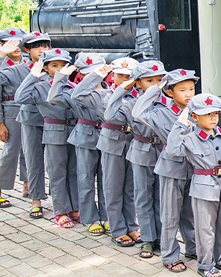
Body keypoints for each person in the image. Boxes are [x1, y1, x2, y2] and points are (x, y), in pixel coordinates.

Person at [131, 68, 199, 270]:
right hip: (171, 169)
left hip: (193, 168)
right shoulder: (161, 113)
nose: (188, 94)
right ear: (169, 92)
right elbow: (137, 112)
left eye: (191, 89)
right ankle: (170, 255)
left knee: (189, 212)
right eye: (182, 90)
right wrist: (155, 90)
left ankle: (193, 247)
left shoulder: (197, 111)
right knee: (170, 214)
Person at [167, 94, 221, 277]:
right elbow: (172, 150)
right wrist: (180, 124)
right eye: (207, 114)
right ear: (195, 116)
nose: (213, 118)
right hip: (204, 188)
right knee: (205, 227)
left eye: (216, 113)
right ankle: (205, 263)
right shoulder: (189, 138)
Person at [0, 32, 52, 219]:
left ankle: (31, 186)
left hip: (49, 118)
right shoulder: (18, 69)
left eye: (46, 46)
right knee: (15, 152)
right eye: (37, 46)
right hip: (17, 112)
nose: (42, 50)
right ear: (27, 49)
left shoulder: (53, 67)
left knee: (39, 156)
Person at [72, 58, 139, 242]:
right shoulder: (103, 95)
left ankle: (131, 225)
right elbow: (77, 95)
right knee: (112, 187)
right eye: (120, 75)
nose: (125, 79)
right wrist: (96, 76)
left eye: (129, 76)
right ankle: (117, 228)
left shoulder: (139, 97)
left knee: (130, 188)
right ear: (112, 76)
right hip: (111, 143)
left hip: (132, 143)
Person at [15, 48, 79, 228]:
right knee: (57, 172)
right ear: (45, 67)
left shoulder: (72, 85)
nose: (59, 69)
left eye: (63, 65)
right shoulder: (41, 86)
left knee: (73, 171)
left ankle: (75, 206)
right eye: (54, 65)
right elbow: (21, 97)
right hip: (54, 131)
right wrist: (33, 76)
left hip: (73, 131)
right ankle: (61, 210)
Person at [106, 60, 165, 254]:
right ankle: (148, 238)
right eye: (149, 80)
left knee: (162, 198)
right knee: (143, 196)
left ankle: (162, 237)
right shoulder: (131, 103)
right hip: (141, 150)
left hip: (163, 153)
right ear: (138, 83)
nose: (155, 85)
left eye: (159, 80)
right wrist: (121, 90)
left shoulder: (169, 103)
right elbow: (110, 115)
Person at [47, 52, 107, 236]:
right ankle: (90, 217)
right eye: (87, 74)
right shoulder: (74, 91)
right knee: (85, 178)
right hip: (85, 135)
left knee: (106, 180)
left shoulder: (111, 89)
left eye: (96, 73)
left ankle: (107, 216)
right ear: (80, 74)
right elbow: (53, 98)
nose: (92, 77)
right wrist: (61, 76)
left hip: (106, 136)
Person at [0, 28, 28, 208]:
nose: (15, 47)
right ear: (2, 45)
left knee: (29, 150)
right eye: (10, 43)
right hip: (10, 111)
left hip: (28, 109)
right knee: (10, 152)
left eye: (18, 42)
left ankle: (28, 184)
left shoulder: (28, 62)